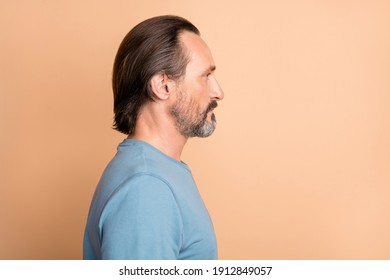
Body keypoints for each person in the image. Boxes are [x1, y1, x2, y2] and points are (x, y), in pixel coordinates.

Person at [83, 15, 224, 260]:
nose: (218, 92)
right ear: (162, 86)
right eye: (205, 76)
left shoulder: (161, 171)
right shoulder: (146, 188)